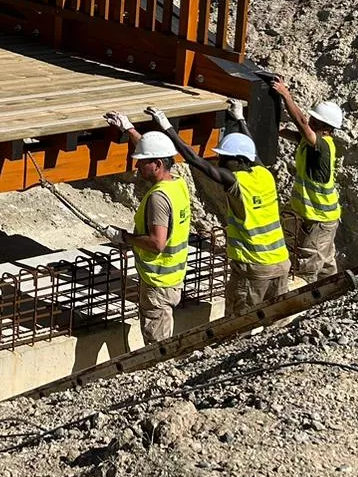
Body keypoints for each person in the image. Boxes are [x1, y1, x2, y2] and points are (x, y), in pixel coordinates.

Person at [143, 102, 289, 316]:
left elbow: (195, 160)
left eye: (224, 158)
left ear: (238, 160)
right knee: (277, 319)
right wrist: (240, 119)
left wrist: (166, 126)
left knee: (238, 322)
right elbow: (252, 150)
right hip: (280, 263)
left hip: (254, 269)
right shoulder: (263, 174)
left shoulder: (236, 182)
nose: (219, 161)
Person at [102, 114, 193, 344]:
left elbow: (157, 243)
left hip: (158, 285)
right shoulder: (178, 185)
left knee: (157, 345)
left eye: (143, 162)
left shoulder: (159, 199)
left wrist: (125, 238)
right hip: (172, 279)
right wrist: (130, 130)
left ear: (158, 165)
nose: (137, 166)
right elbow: (155, 152)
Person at [271, 79, 344, 284]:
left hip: (319, 219)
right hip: (323, 219)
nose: (310, 122)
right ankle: (336, 296)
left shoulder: (322, 146)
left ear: (326, 128)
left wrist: (286, 95)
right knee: (326, 263)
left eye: (315, 122)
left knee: (307, 266)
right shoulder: (313, 143)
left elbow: (301, 124)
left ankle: (307, 309)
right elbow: (296, 133)